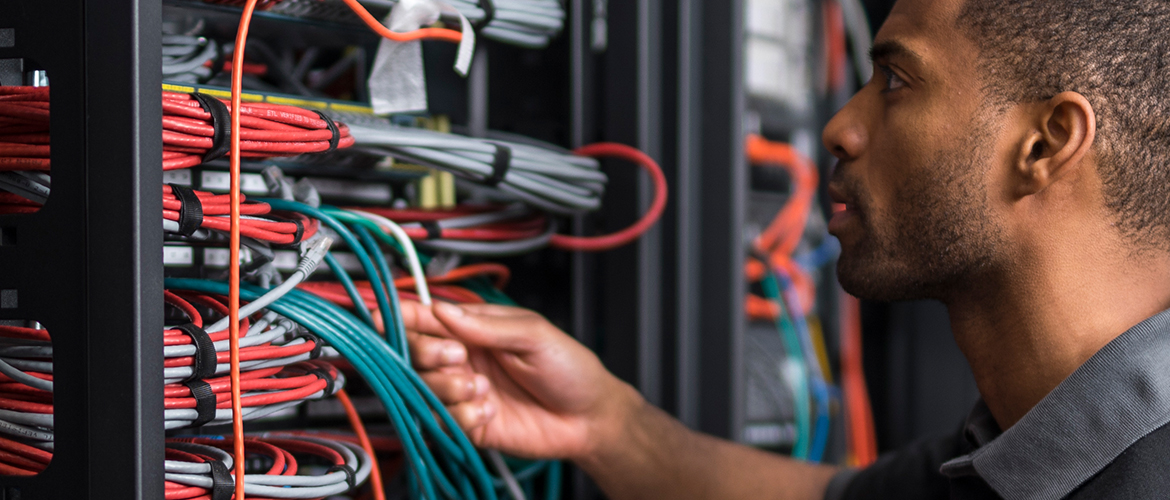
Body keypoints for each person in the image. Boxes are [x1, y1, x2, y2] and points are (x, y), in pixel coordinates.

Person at [402, 0, 1170, 497]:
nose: (842, 125)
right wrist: (607, 425)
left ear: (1044, 143)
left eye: (896, 80)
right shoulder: (1024, 444)